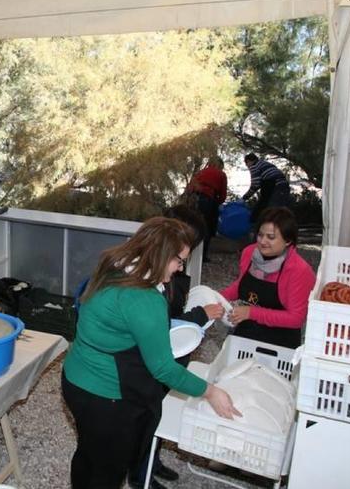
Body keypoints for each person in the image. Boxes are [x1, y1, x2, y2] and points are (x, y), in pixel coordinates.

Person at [62, 217, 240, 489]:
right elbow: (164, 369)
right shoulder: (144, 298)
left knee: (88, 453)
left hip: (75, 379)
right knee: (107, 470)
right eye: (179, 261)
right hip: (106, 397)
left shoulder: (113, 267)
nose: (180, 269)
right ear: (161, 255)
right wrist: (210, 391)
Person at [128, 206, 225, 489]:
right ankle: (139, 474)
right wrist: (199, 315)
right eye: (180, 257)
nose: (183, 263)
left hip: (175, 351)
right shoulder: (146, 282)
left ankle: (151, 461)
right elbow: (159, 325)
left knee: (158, 415)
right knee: (146, 418)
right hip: (160, 357)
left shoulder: (173, 274)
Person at [220, 207, 316, 349]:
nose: (263, 241)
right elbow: (241, 284)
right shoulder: (249, 253)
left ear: (288, 240)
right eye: (260, 235)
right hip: (246, 332)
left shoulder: (299, 270)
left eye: (271, 237)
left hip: (279, 342)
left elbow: (296, 319)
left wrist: (251, 312)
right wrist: (218, 298)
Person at [186, 158, 227, 262]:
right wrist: (217, 203)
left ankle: (186, 253)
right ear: (220, 165)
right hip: (207, 200)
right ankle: (202, 256)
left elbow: (190, 187)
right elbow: (222, 195)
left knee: (192, 224)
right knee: (206, 227)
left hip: (193, 199)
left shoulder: (200, 172)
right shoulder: (221, 174)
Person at [241, 153, 291, 223]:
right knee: (282, 212)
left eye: (246, 164)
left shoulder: (254, 166)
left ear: (249, 161)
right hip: (284, 185)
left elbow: (255, 184)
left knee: (272, 212)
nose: (247, 166)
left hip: (276, 187)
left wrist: (245, 197)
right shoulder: (264, 163)